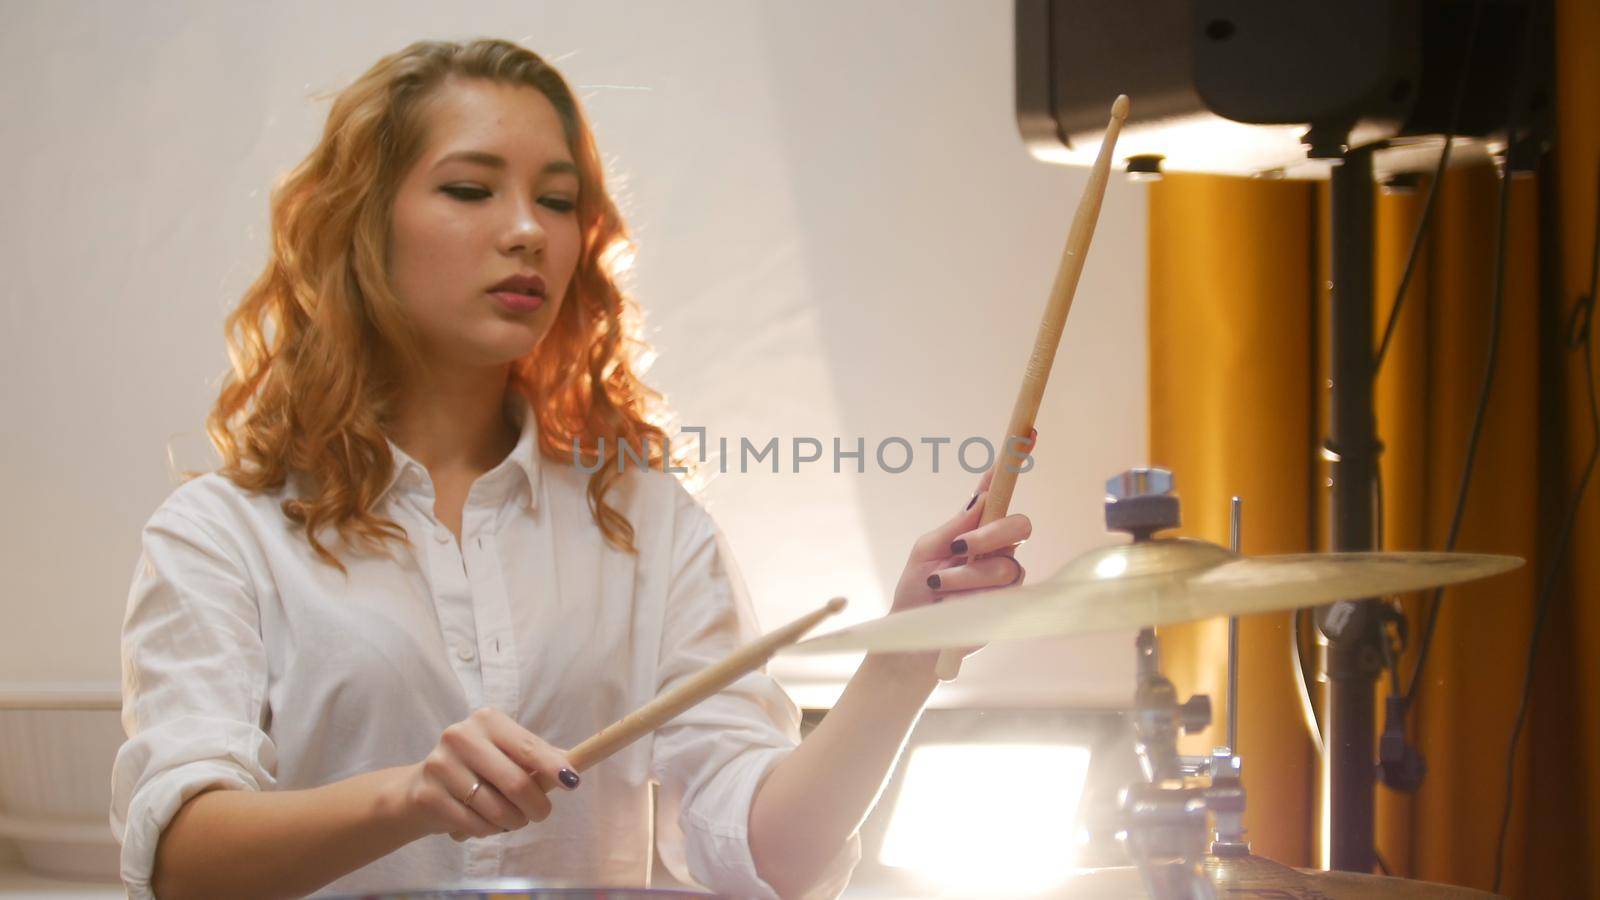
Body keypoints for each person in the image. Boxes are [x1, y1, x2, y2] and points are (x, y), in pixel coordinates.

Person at [109, 38, 1035, 900]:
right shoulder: (225, 533)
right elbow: (184, 857)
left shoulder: (646, 520)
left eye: (557, 200)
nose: (529, 232)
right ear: (361, 226)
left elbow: (770, 854)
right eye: (471, 189)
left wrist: (903, 662)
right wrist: (410, 799)